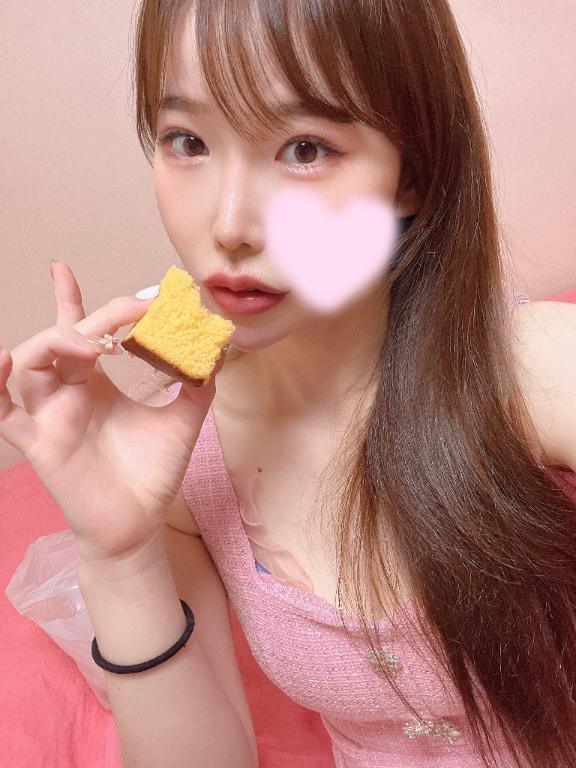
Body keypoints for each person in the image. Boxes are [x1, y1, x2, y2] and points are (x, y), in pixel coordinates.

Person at [1, 0, 576, 766]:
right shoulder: (181, 462)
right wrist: (120, 555)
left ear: (411, 176)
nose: (230, 224)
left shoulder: (532, 369)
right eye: (188, 141)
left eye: (305, 148)